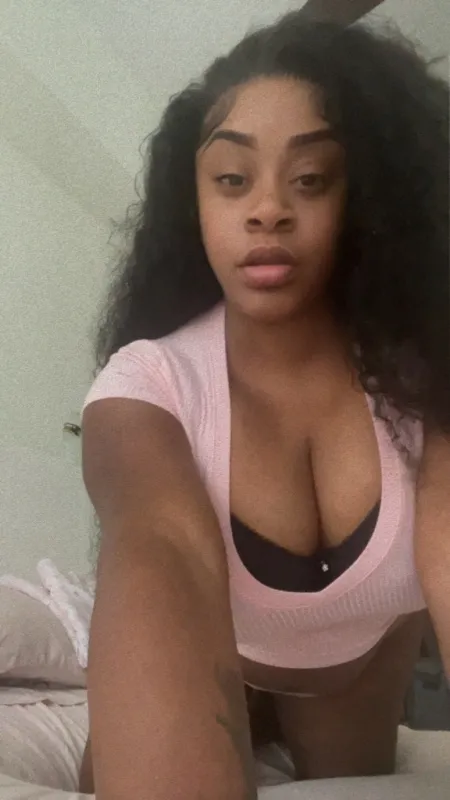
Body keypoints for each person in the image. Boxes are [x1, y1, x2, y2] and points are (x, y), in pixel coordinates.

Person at [80, 11, 449, 800]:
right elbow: (161, 546)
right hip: (209, 645)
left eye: (310, 178)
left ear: (368, 197)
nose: (268, 209)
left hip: (352, 671)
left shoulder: (430, 380)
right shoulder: (144, 390)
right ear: (195, 203)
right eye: (232, 179)